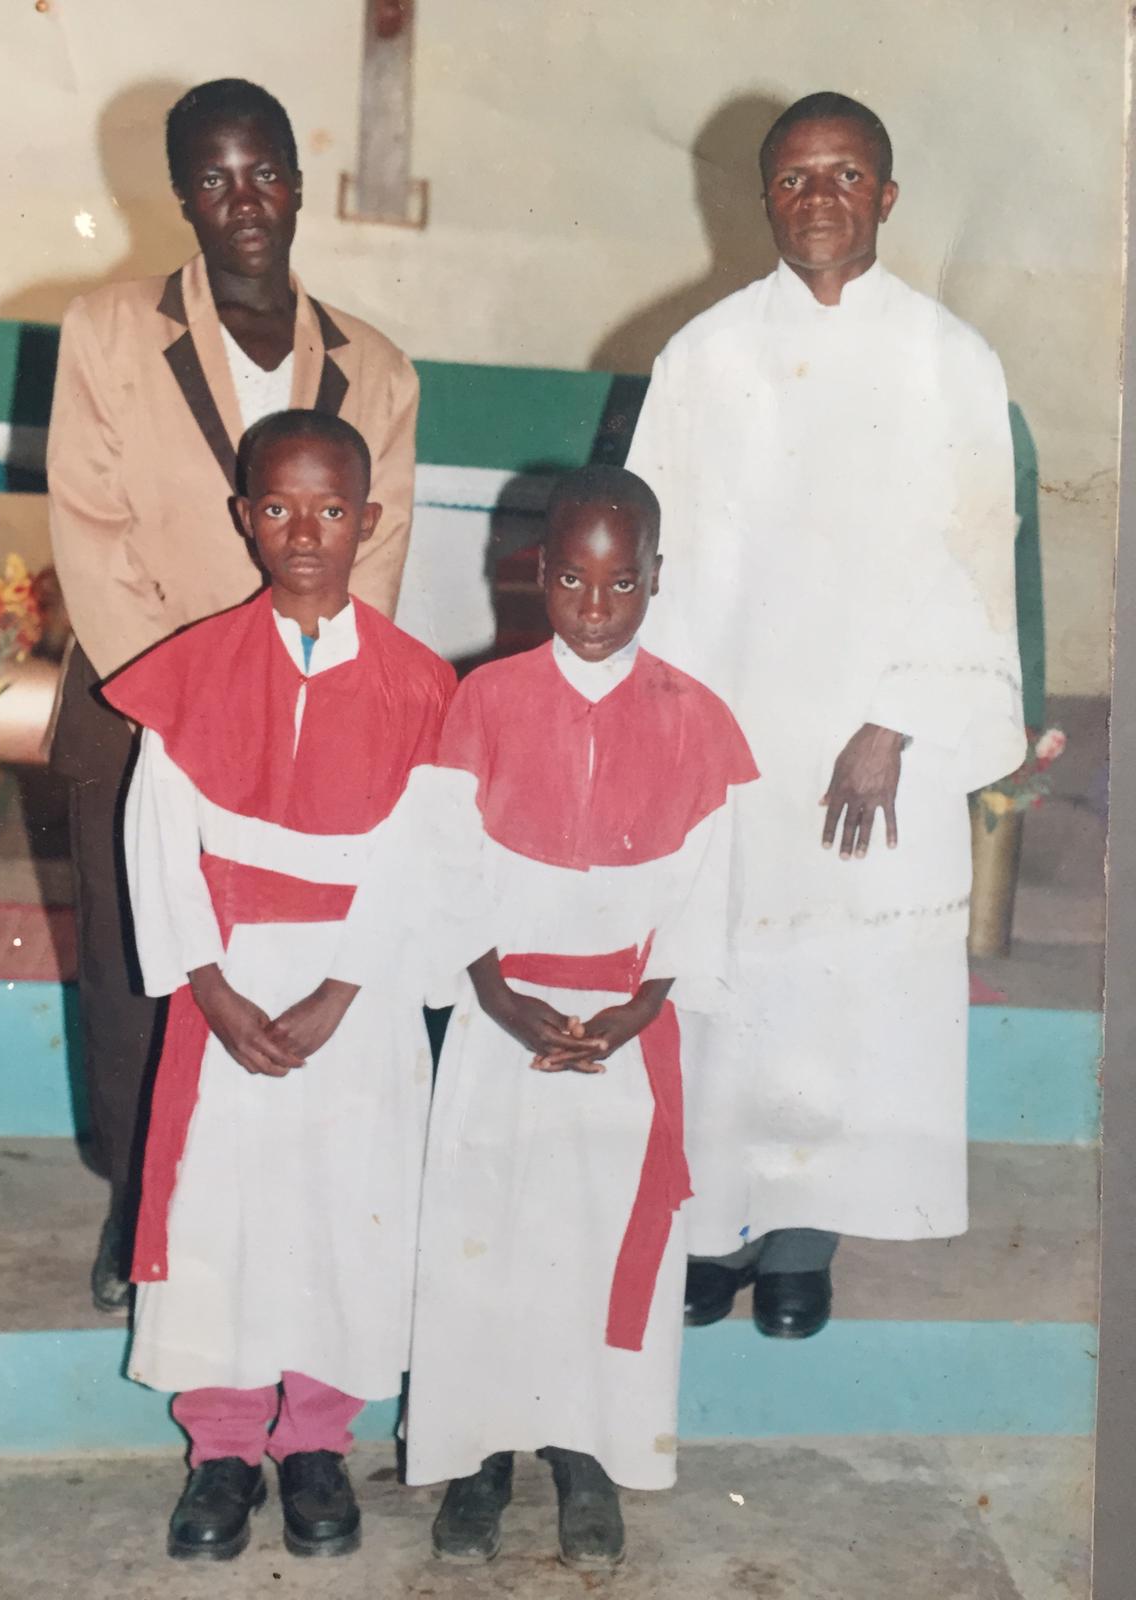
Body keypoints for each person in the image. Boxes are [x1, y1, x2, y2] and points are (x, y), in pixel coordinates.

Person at [625, 92, 1026, 1338]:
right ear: (765, 198)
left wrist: (896, 720)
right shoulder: (703, 355)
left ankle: (803, 1239)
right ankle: (716, 1225)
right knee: (729, 975)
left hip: (873, 743)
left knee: (839, 986)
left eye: (845, 176)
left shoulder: (948, 359)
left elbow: (975, 553)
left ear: (887, 198)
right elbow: (652, 546)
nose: (819, 199)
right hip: (732, 726)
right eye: (795, 179)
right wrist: (672, 725)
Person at [45, 78, 419, 1312]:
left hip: (308, 713)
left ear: (298, 183)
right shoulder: (109, 330)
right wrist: (191, 703)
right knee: (137, 956)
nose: (243, 201)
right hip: (144, 700)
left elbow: (380, 551)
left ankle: (265, 1201)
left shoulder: (375, 364)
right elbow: (93, 530)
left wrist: (304, 698)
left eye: (263, 172)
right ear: (182, 198)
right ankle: (131, 1200)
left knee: (274, 951)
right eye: (214, 179)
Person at [374, 466, 757, 1569]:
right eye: (575, 580)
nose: (596, 606)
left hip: (623, 1036)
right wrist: (494, 992)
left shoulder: (695, 718)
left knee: (592, 1243)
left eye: (622, 582)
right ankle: (480, 1456)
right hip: (508, 1023)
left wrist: (639, 1007)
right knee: (485, 1239)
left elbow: (705, 882)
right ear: (537, 573)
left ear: (655, 581)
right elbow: (445, 869)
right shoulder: (483, 702)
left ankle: (588, 1455)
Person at [100, 412, 454, 1561]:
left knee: (344, 1211)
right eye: (280, 508)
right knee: (225, 1213)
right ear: (244, 516)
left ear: (372, 519)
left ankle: (316, 1438)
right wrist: (208, 983)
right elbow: (160, 837)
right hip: (232, 984)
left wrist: (343, 989)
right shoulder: (195, 670)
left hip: (358, 991)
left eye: (333, 510)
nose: (306, 533)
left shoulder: (417, 685)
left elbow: (419, 855)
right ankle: (220, 1446)